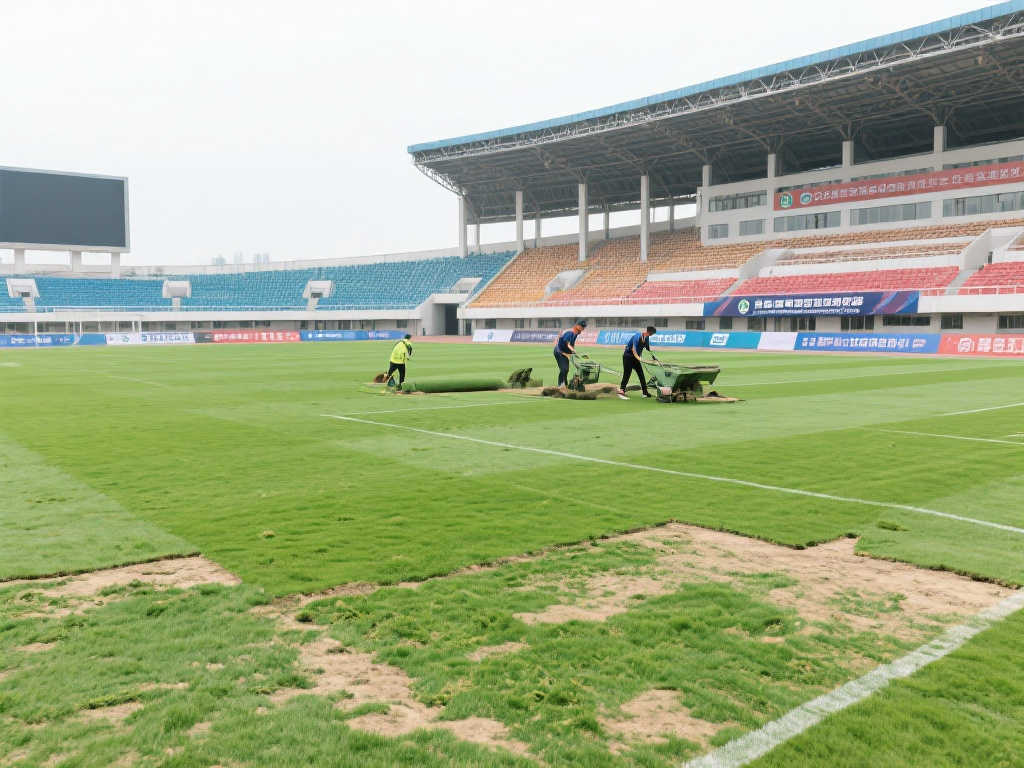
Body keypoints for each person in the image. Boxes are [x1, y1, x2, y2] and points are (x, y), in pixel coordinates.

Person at [617, 326, 657, 399]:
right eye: (653, 333)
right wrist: (640, 358)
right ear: (650, 332)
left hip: (636, 358)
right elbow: (634, 350)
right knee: (627, 374)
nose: (652, 335)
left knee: (641, 374)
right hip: (628, 357)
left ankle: (645, 393)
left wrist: (653, 357)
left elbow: (648, 349)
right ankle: (621, 390)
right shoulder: (637, 336)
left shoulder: (647, 338)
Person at [553, 320, 586, 390]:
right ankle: (560, 385)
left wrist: (573, 352)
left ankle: (565, 384)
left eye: (584, 327)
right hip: (559, 351)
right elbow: (568, 344)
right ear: (577, 326)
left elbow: (572, 343)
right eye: (582, 326)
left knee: (566, 369)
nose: (583, 328)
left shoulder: (577, 333)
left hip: (565, 352)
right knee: (564, 369)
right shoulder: (570, 332)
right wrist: (574, 351)